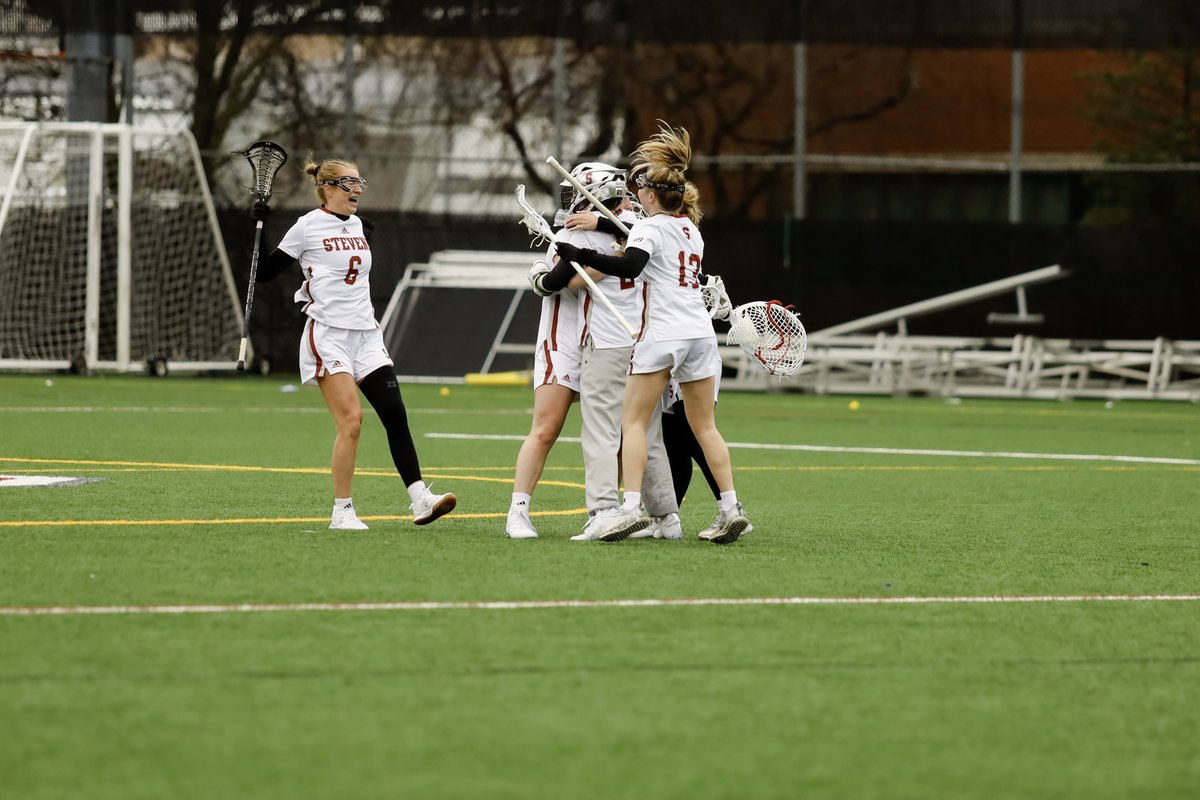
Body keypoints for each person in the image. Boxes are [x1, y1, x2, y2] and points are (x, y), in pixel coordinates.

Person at [538, 123, 750, 544]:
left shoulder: (650, 228)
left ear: (651, 195)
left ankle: (628, 509)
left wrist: (580, 252)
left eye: (641, 193)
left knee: (632, 423)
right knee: (705, 427)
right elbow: (630, 235)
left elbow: (630, 263)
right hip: (700, 338)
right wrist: (603, 226)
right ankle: (730, 508)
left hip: (664, 334)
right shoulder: (691, 229)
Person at [252, 156, 456, 530]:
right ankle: (342, 511)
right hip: (328, 334)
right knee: (352, 421)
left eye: (360, 182)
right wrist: (259, 227)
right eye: (349, 183)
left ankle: (420, 499)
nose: (358, 189)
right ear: (327, 188)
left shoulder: (359, 224)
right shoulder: (307, 226)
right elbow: (264, 273)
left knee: (395, 414)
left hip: (366, 335)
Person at [552, 174, 682, 543]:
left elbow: (571, 281)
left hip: (609, 340)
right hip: (646, 342)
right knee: (645, 431)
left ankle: (605, 510)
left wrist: (598, 258)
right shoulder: (648, 226)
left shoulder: (586, 233)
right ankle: (666, 516)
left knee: (601, 429)